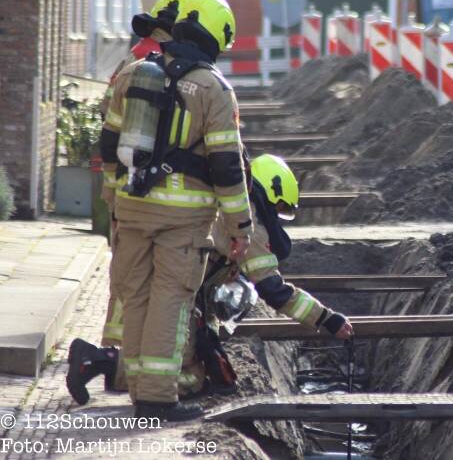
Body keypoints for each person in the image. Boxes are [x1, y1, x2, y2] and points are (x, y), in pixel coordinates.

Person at [68, 154, 354, 404]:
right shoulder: (249, 223)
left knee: (175, 366)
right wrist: (328, 319)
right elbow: (273, 290)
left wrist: (209, 333)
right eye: (279, 209)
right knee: (188, 378)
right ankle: (97, 360)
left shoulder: (223, 204)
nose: (277, 219)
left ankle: (101, 363)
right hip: (174, 291)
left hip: (159, 281)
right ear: (270, 192)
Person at [95, 0, 253, 421]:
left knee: (137, 298)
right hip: (182, 221)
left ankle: (139, 390)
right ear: (215, 39)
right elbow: (227, 167)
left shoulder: (133, 74)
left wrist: (114, 201)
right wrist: (240, 227)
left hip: (132, 209)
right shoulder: (214, 89)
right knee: (171, 300)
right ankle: (158, 399)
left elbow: (108, 146)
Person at [100, 0, 208, 388]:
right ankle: (117, 365)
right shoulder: (157, 61)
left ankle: (119, 363)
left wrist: (111, 190)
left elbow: (110, 123)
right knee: (142, 286)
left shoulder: (139, 55)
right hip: (147, 186)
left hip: (127, 182)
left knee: (130, 281)